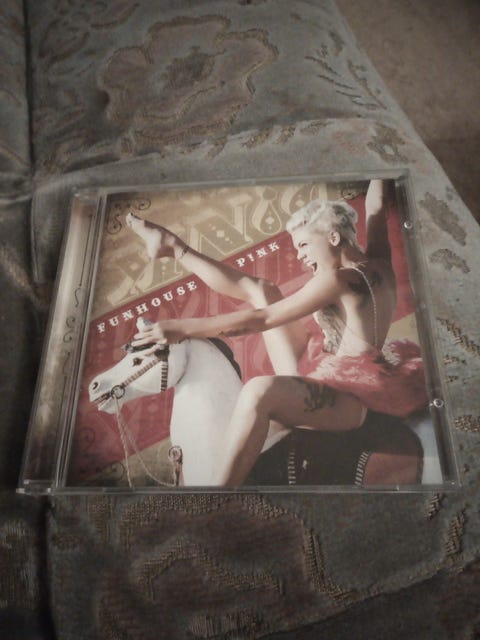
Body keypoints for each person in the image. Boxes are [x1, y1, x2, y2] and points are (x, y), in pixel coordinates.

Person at [127, 180, 427, 485]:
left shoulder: (337, 280)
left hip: (349, 396)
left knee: (259, 391)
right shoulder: (379, 262)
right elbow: (375, 204)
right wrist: (383, 170)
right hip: (333, 368)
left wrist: (180, 327)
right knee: (262, 290)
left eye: (304, 245)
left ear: (334, 237)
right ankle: (172, 246)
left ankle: (214, 498)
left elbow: (263, 319)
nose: (300, 256)